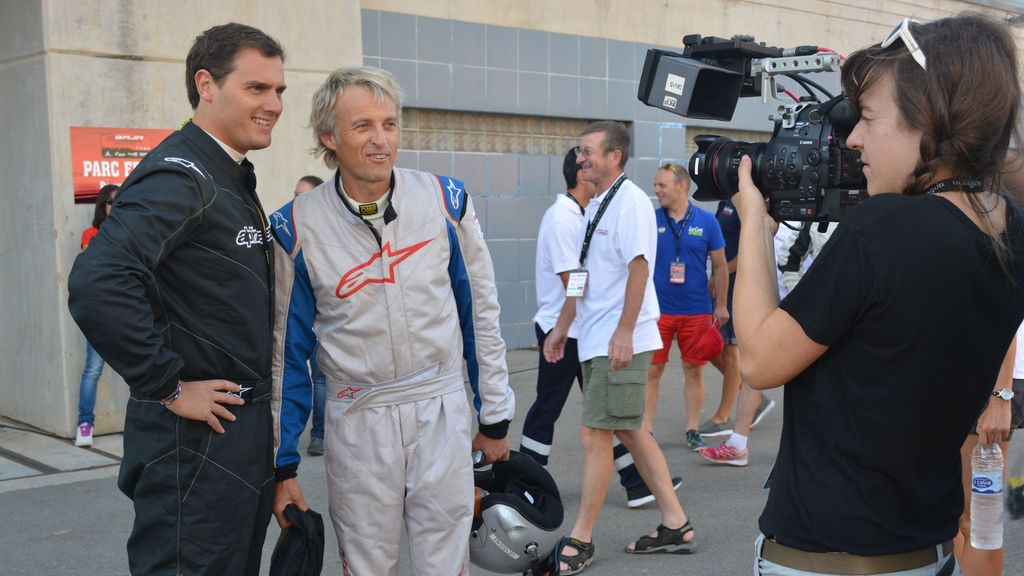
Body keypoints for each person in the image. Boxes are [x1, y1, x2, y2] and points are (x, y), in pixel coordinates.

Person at [732, 14, 1024, 576]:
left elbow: (760, 360)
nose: (853, 138)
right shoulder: (1008, 228)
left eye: (867, 118)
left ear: (932, 123)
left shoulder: (885, 229)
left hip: (829, 557)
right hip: (929, 550)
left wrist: (752, 223)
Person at [271, 66, 515, 575]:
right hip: (358, 417)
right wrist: (282, 460)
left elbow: (481, 314)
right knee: (366, 567)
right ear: (329, 137)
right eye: (363, 126)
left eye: (389, 124)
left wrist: (494, 415)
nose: (381, 140)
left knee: (446, 565)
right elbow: (283, 352)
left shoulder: (446, 202)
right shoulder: (295, 225)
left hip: (441, 410)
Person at [68, 23, 286, 575]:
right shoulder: (182, 174)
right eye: (257, 88)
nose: (274, 104)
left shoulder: (226, 171)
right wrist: (165, 383)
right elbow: (98, 281)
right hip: (195, 452)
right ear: (206, 84)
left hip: (237, 442)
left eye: (279, 90)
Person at [545, 121, 696, 574]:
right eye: (578, 150)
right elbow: (590, 276)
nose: (580, 158)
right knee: (630, 430)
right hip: (596, 336)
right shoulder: (596, 206)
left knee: (596, 434)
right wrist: (563, 325)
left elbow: (638, 268)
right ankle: (676, 524)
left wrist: (626, 331)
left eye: (588, 151)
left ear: (615, 157)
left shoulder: (628, 201)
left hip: (619, 336)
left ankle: (581, 538)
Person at [520, 148, 681, 508]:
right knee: (560, 411)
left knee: (607, 416)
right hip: (569, 329)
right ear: (580, 175)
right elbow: (573, 279)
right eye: (585, 162)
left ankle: (637, 483)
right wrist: (566, 325)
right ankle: (525, 485)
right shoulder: (564, 219)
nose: (589, 166)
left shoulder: (589, 210)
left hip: (584, 329)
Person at [643, 162, 729, 451]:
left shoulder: (707, 221)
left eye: (661, 185)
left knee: (693, 369)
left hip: (696, 310)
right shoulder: (649, 220)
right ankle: (646, 430)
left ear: (681, 186)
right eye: (656, 185)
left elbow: (719, 267)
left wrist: (721, 306)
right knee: (653, 370)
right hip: (658, 311)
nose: (656, 190)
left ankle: (692, 429)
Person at [697, 198, 775, 466]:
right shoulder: (726, 201)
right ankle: (751, 405)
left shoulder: (752, 201)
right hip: (726, 285)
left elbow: (755, 243)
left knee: (735, 353)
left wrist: (723, 272)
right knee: (714, 348)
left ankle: (723, 419)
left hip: (742, 286)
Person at [74, 183, 118, 447]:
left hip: (128, 312)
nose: (115, 205)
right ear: (102, 206)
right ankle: (85, 423)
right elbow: (96, 272)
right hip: (100, 313)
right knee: (92, 369)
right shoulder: (91, 234)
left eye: (119, 200)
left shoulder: (131, 231)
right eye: (111, 201)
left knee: (143, 371)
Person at [290, 175, 327, 456]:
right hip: (295, 323)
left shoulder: (323, 238)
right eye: (295, 194)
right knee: (293, 380)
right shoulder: (287, 231)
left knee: (321, 382)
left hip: (320, 325)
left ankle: (319, 435)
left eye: (303, 195)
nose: (296, 200)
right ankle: (286, 442)